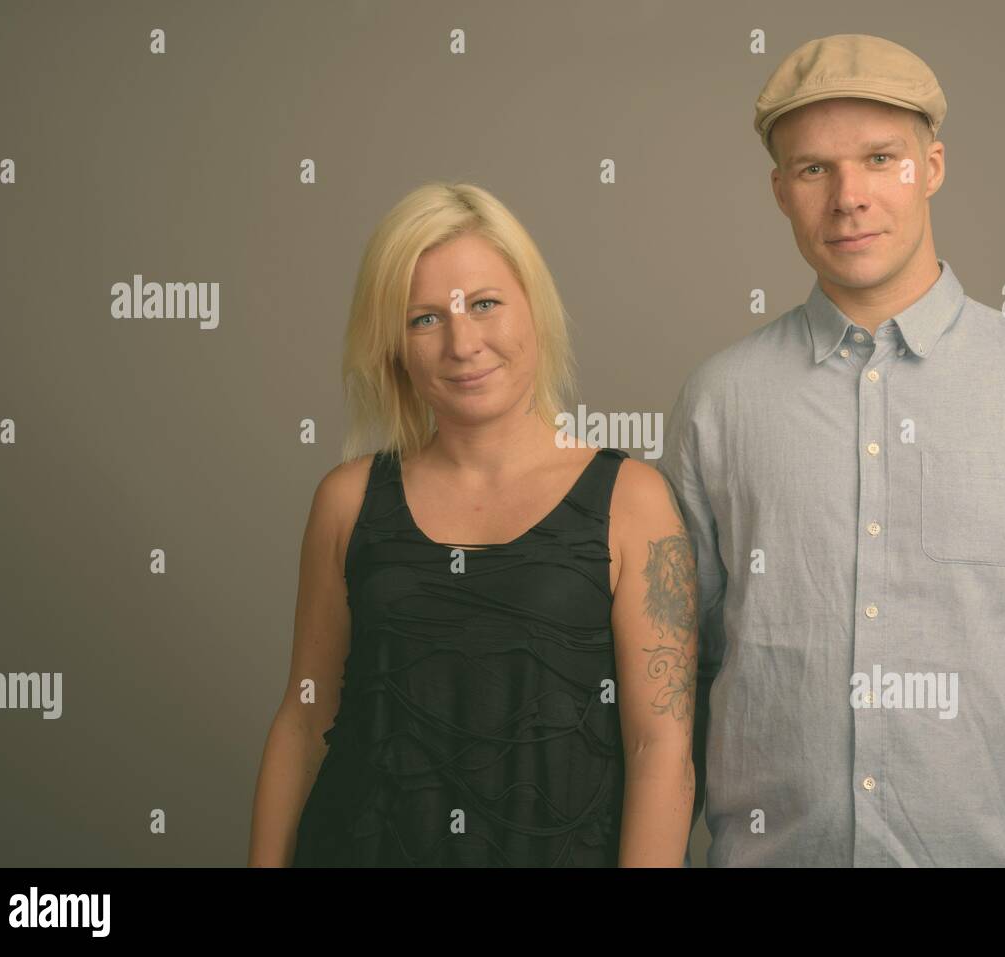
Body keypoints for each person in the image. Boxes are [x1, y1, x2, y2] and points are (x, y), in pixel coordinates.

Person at [658, 33, 1005, 866]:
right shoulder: (718, 402)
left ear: (932, 165)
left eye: (879, 158)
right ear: (780, 190)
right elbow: (669, 688)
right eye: (815, 169)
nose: (848, 197)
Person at [248, 182, 697, 866]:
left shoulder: (633, 501)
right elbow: (304, 719)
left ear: (533, 311)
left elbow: (660, 746)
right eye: (424, 318)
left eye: (484, 304)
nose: (462, 342)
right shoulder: (347, 500)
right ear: (392, 343)